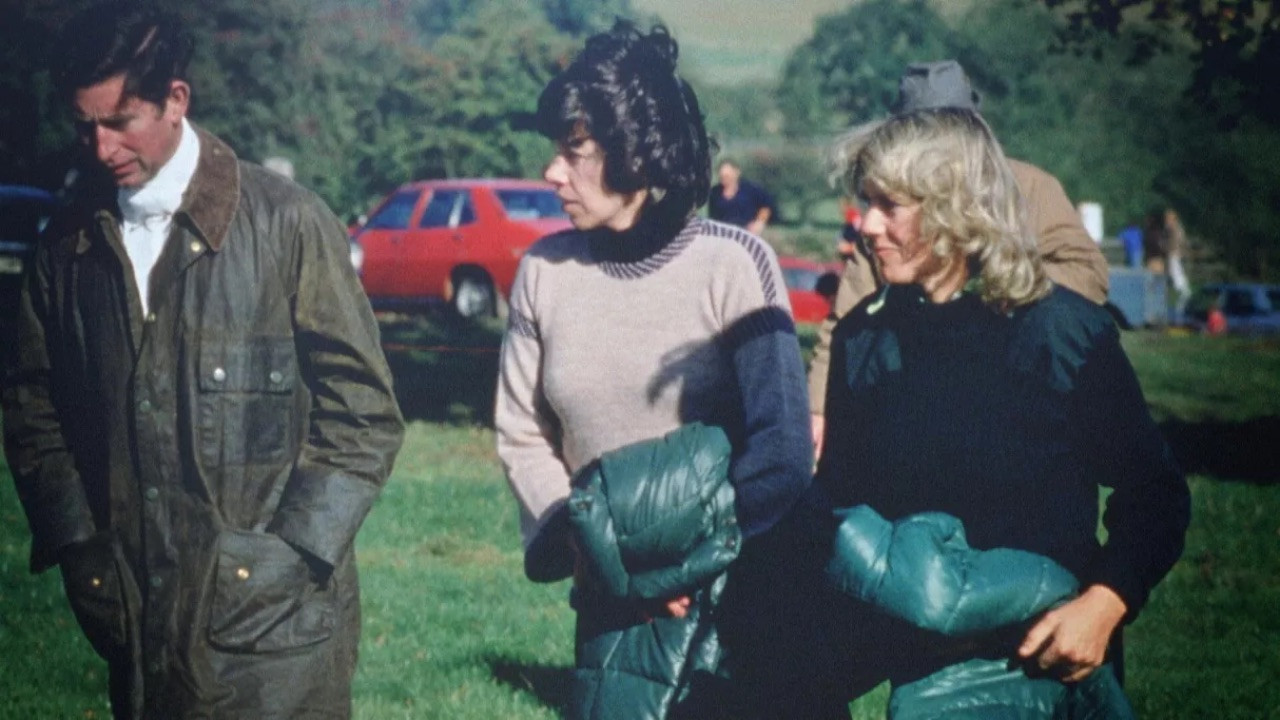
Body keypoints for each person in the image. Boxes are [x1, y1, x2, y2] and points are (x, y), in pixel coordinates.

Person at [1, 3, 405, 718]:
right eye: (83, 125)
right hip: (136, 632)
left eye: (120, 121)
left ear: (176, 100)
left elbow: (365, 414)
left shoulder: (288, 223)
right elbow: (31, 405)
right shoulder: (66, 246)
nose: (99, 148)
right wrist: (80, 550)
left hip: (282, 649)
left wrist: (285, 555)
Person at [809, 107, 1189, 717]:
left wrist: (1106, 601)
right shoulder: (865, 341)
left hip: (1048, 663)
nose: (868, 226)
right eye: (865, 203)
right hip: (924, 668)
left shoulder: (1061, 334)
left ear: (955, 206)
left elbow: (1155, 493)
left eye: (890, 206)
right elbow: (842, 509)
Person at [494, 21, 812, 717]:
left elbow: (783, 451)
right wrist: (600, 558)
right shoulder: (543, 273)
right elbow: (520, 433)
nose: (552, 171)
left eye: (573, 150)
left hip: (740, 610)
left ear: (636, 152)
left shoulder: (733, 266)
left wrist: (677, 567)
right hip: (610, 610)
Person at [807, 60, 1110, 458]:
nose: (870, 223)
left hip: (1013, 382)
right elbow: (847, 315)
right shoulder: (885, 212)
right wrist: (818, 409)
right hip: (911, 376)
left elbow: (1087, 271)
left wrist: (1000, 291)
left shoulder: (1029, 185)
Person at [708, 158, 776, 235]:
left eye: (727, 176)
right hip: (724, 234)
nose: (724, 179)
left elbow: (766, 206)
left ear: (737, 172)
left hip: (748, 234)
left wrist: (759, 223)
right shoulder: (714, 192)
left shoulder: (750, 189)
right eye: (722, 177)